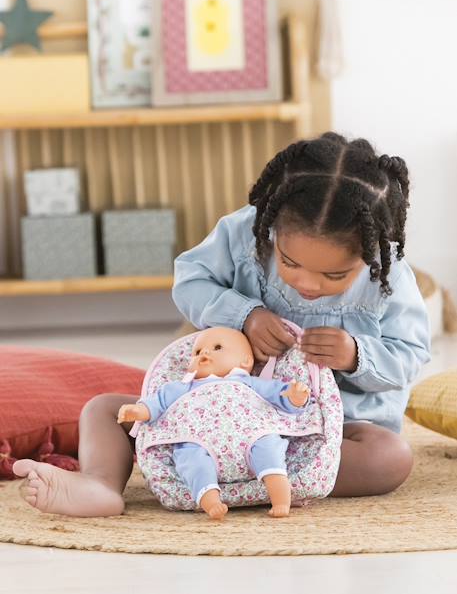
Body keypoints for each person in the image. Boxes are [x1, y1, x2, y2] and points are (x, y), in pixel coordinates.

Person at [12, 132, 430, 517]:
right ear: (270, 225)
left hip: (310, 432)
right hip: (211, 413)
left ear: (374, 249)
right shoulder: (243, 234)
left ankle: (256, 476)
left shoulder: (390, 278)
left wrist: (356, 355)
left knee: (390, 456)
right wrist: (245, 314)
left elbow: (410, 356)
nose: (306, 283)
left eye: (335, 277)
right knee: (103, 409)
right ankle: (101, 484)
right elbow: (190, 280)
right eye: (289, 262)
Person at [117, 326, 310, 519]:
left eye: (217, 347)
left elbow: (278, 394)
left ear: (246, 361)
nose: (205, 353)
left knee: (269, 447)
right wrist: (138, 411)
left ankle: (281, 500)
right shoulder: (181, 387)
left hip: (252, 436)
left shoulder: (250, 382)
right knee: (190, 460)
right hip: (199, 442)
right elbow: (157, 403)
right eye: (197, 352)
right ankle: (211, 502)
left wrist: (295, 396)